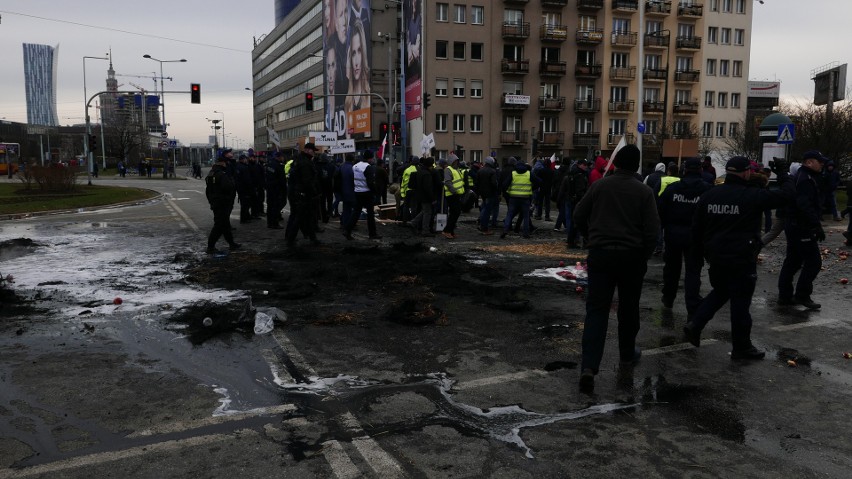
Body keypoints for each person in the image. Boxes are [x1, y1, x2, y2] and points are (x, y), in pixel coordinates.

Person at [684, 156, 794, 359]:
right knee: (740, 303)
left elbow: (696, 229)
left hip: (716, 257)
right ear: (746, 172)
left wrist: (699, 255)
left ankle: (696, 323)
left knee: (721, 291)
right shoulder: (752, 195)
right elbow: (787, 195)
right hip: (741, 258)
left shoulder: (710, 195)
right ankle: (741, 347)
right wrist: (784, 173)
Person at [572, 145, 658, 390]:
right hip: (631, 257)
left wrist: (590, 238)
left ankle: (589, 366)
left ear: (616, 162)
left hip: (601, 255)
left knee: (597, 310)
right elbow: (652, 231)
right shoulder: (644, 192)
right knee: (629, 309)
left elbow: (579, 215)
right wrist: (643, 255)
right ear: (637, 165)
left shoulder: (600, 186)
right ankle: (627, 353)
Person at [657, 158, 711, 315]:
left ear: (684, 170)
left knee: (671, 269)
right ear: (700, 170)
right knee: (693, 270)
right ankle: (692, 303)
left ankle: (668, 297)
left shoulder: (673, 189)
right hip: (696, 237)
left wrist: (663, 229)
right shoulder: (706, 190)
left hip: (673, 235)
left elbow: (661, 210)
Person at [778, 150, 827, 310]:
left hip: (795, 225)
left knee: (793, 261)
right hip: (801, 226)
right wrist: (815, 225)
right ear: (809, 162)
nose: (822, 164)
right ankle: (802, 295)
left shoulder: (802, 176)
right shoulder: (805, 179)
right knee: (813, 262)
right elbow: (804, 204)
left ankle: (785, 296)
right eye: (820, 162)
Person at [285, 143, 321, 246]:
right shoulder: (305, 162)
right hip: (304, 194)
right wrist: (313, 192)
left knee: (307, 217)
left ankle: (312, 238)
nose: (314, 152)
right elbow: (307, 181)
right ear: (307, 150)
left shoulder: (301, 160)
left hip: (301, 193)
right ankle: (291, 239)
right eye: (312, 150)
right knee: (300, 217)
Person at [205, 156, 241, 254]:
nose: (226, 165)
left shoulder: (211, 174)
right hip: (222, 203)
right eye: (226, 163)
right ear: (222, 163)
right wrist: (232, 182)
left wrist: (211, 201)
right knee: (219, 225)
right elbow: (228, 187)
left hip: (216, 202)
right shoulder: (221, 174)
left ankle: (232, 243)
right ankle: (210, 247)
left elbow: (208, 191)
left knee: (225, 225)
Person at [343, 150, 382, 240]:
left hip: (357, 192)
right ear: (370, 158)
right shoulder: (368, 167)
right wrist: (375, 192)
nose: (373, 160)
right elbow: (370, 183)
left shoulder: (355, 166)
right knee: (370, 214)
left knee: (356, 213)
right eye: (372, 158)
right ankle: (372, 234)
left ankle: (347, 230)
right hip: (367, 193)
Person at [500, 157, 537, 239]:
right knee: (526, 216)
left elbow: (504, 184)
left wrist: (507, 191)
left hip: (513, 197)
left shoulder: (513, 173)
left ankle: (505, 230)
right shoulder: (529, 173)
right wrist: (532, 188)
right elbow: (539, 182)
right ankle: (526, 233)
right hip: (525, 197)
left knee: (510, 214)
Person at [557, 158, 589, 248]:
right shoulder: (580, 175)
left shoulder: (571, 173)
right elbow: (580, 190)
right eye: (585, 165)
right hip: (577, 201)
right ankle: (574, 241)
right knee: (577, 222)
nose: (586, 167)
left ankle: (571, 240)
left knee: (571, 220)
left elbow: (563, 188)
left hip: (570, 200)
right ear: (580, 165)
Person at [344, 19, 371, 117]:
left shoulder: (369, 96)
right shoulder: (348, 101)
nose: (356, 62)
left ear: (363, 54)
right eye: (353, 53)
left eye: (359, 51)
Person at [411, 157, 438, 236]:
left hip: (420, 195)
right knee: (427, 213)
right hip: (426, 197)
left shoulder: (420, 171)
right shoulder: (427, 174)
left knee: (425, 211)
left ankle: (414, 222)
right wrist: (432, 198)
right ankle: (425, 230)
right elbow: (428, 188)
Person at [439, 155, 464, 239]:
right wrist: (455, 192)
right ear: (452, 162)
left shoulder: (455, 169)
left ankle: (451, 231)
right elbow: (448, 182)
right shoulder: (448, 170)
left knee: (455, 213)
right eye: (455, 161)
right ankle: (447, 231)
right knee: (455, 213)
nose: (457, 163)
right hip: (452, 195)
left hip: (456, 194)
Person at [477, 157, 500, 235]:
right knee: (487, 210)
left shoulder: (480, 170)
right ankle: (485, 228)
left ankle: (482, 225)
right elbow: (494, 183)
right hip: (490, 193)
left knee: (484, 208)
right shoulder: (492, 171)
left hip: (482, 193)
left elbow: (477, 182)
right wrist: (496, 190)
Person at [265, 152, 287, 229]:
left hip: (270, 188)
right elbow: (282, 179)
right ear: (279, 157)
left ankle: (270, 223)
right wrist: (284, 189)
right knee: (275, 206)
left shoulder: (269, 164)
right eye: (282, 157)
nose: (283, 158)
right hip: (277, 189)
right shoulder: (278, 166)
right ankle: (274, 223)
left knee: (270, 206)